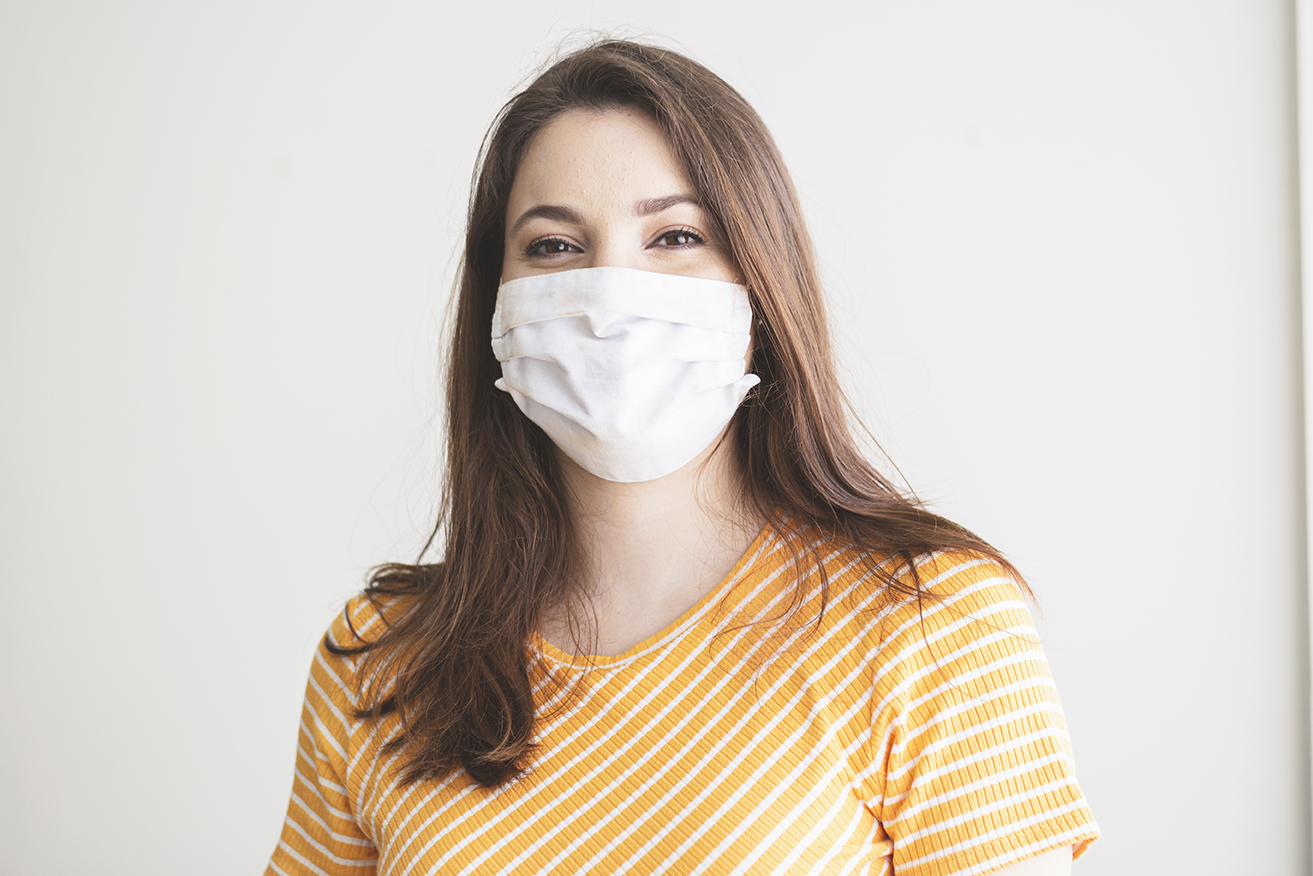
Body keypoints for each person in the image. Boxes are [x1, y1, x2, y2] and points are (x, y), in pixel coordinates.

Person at [265, 39, 1099, 876]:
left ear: (760, 290)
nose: (607, 300)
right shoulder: (380, 660)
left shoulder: (928, 620)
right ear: (496, 307)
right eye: (554, 247)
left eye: (673, 236)